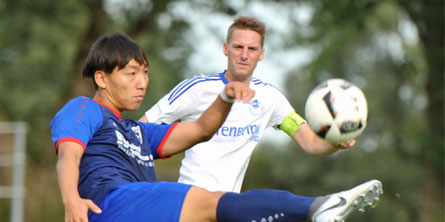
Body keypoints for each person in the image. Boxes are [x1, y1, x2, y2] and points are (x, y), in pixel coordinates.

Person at [51, 32, 382, 222]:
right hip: (112, 204)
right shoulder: (83, 108)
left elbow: (199, 131)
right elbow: (69, 156)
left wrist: (225, 96)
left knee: (212, 205)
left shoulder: (136, 131)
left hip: (138, 211)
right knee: (209, 203)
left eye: (146, 73)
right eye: (131, 73)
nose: (142, 83)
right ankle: (315, 208)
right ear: (101, 78)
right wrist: (71, 201)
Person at [141, 16, 358, 193]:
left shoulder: (270, 98)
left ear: (261, 54)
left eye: (252, 49)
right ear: (226, 48)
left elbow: (310, 142)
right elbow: (138, 131)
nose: (245, 55)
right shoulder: (196, 89)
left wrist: (334, 144)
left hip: (228, 209)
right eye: (238, 47)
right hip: (188, 202)